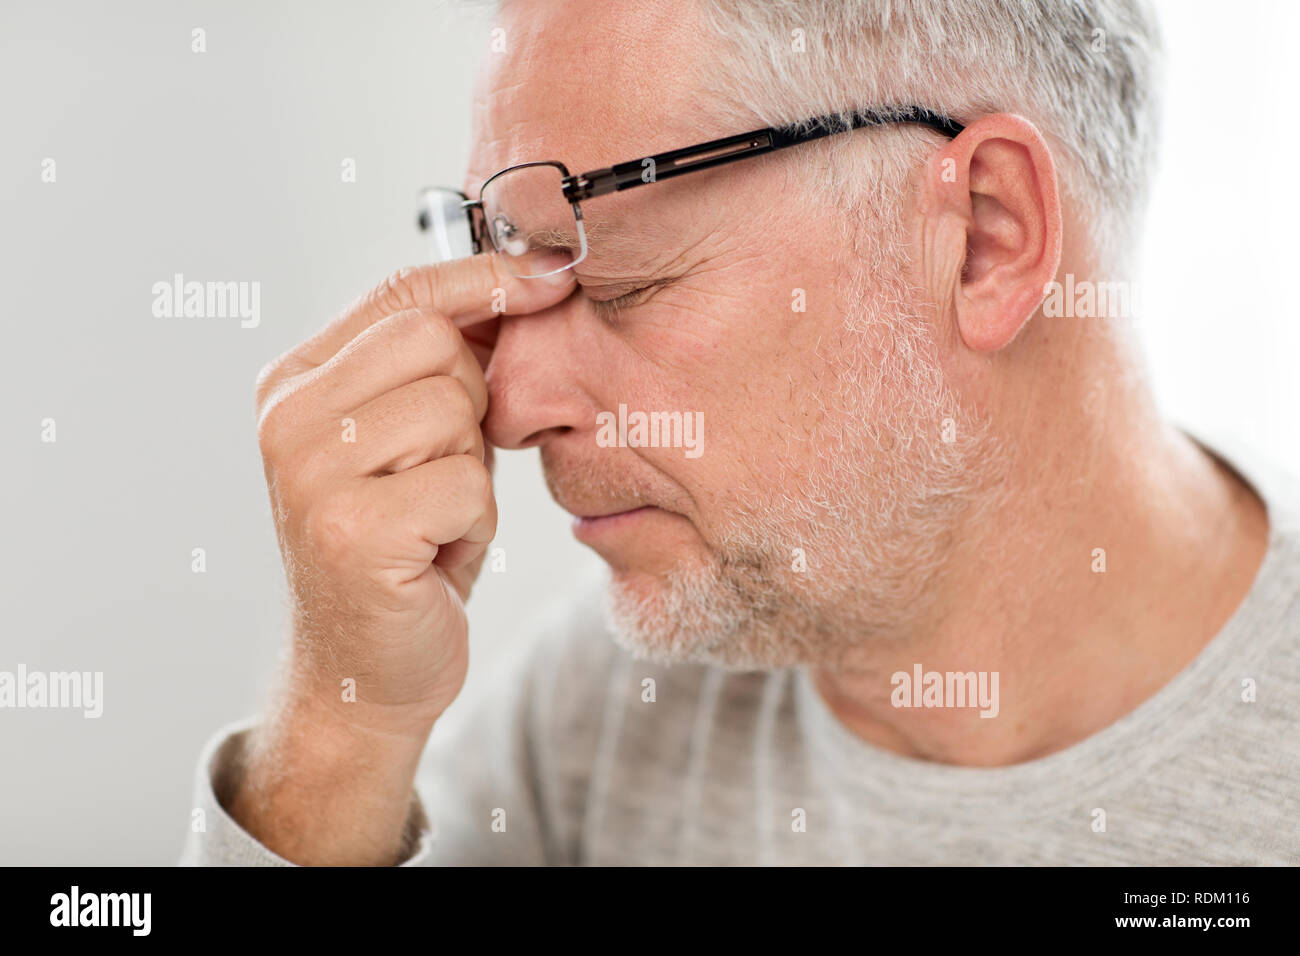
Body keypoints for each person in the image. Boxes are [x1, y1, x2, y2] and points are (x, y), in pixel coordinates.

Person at [181, 0, 1299, 865]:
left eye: (619, 276)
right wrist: (344, 733)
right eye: (511, 272)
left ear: (984, 240)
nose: (509, 408)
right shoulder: (599, 721)